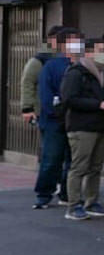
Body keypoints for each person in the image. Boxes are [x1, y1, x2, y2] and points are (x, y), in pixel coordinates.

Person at [59, 37, 104, 221]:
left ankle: (92, 202)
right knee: (79, 166)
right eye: (101, 50)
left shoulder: (103, 74)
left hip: (101, 125)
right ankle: (73, 204)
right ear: (89, 52)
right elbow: (69, 99)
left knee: (96, 167)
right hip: (81, 127)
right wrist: (97, 104)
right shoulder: (77, 73)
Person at [33, 27, 81, 210]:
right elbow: (46, 96)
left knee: (73, 160)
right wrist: (58, 112)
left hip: (76, 120)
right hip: (54, 120)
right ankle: (43, 194)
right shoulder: (51, 66)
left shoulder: (83, 65)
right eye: (73, 41)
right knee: (51, 158)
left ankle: (67, 193)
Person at [22, 25, 67, 208]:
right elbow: (27, 83)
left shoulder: (71, 60)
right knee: (51, 154)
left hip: (68, 114)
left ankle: (65, 191)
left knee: (67, 156)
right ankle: (44, 193)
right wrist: (28, 108)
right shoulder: (40, 60)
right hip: (46, 112)